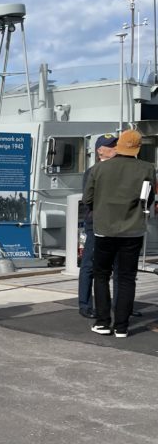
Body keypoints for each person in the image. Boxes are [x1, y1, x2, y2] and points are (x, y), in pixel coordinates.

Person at [84, 129, 156, 338]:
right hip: (133, 230)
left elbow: (88, 198)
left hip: (104, 229)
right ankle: (122, 327)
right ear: (137, 147)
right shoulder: (147, 168)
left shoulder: (99, 169)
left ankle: (103, 322)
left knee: (101, 275)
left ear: (120, 145)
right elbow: (149, 198)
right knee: (126, 278)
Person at [77, 134, 118, 318]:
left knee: (119, 266)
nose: (116, 148)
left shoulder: (119, 170)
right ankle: (85, 304)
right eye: (112, 146)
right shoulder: (92, 172)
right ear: (100, 150)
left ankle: (120, 305)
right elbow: (89, 200)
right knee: (89, 265)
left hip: (116, 224)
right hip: (96, 224)